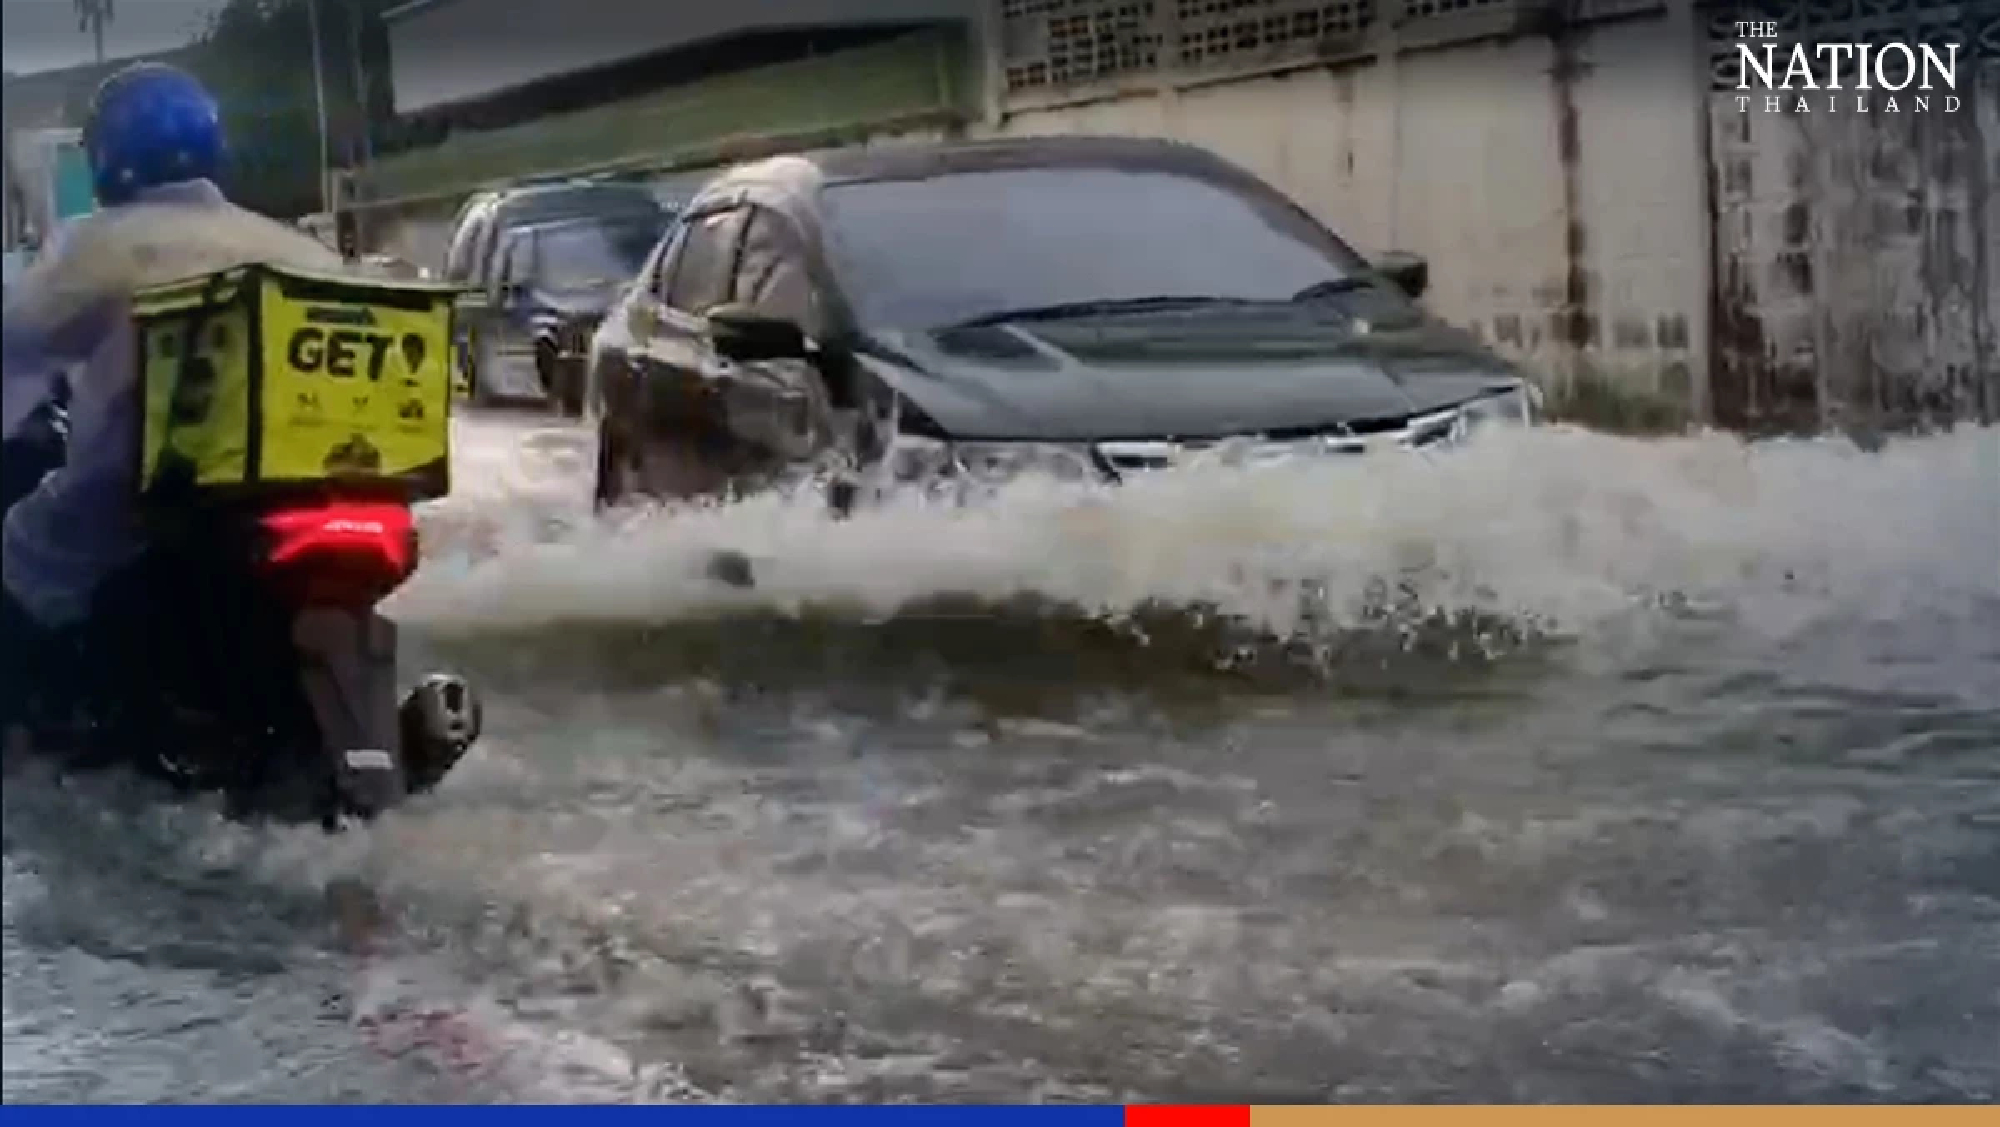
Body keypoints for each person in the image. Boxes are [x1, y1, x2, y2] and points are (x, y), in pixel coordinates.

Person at [1, 62, 344, 725]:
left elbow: (18, 338)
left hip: (143, 501)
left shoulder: (98, 244)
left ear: (107, 157)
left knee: (20, 558)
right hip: (314, 489)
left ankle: (35, 743)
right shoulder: (296, 248)